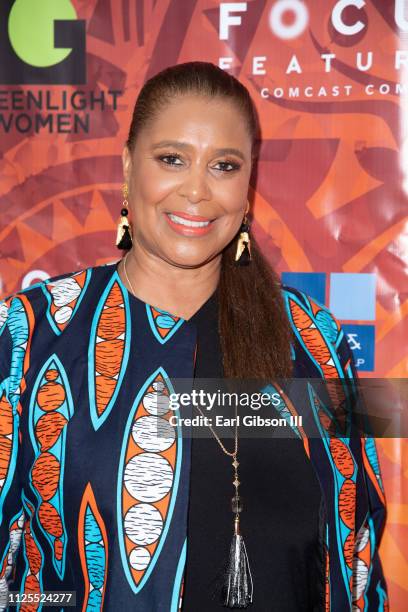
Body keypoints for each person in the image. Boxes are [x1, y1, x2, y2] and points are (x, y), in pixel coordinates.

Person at [0, 61, 388, 611]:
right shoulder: (34, 333)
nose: (197, 191)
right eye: (172, 159)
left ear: (248, 190)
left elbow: (359, 546)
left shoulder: (312, 336)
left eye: (224, 166)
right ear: (129, 167)